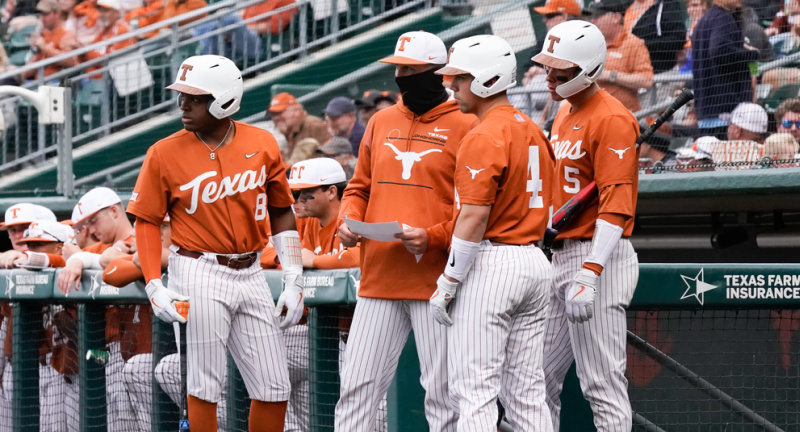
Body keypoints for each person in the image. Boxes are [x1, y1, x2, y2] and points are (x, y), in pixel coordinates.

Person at [127, 54, 304, 432]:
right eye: (181, 95)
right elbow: (146, 221)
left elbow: (282, 211)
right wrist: (154, 284)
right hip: (197, 266)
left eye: (195, 97)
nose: (183, 104)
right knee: (205, 382)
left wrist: (294, 277)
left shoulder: (262, 141)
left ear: (224, 98)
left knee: (274, 385)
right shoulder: (163, 151)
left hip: (252, 269)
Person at [334, 30, 476, 432]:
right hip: (378, 277)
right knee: (356, 390)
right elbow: (359, 187)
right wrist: (347, 218)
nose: (401, 76)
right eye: (397, 69)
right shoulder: (381, 120)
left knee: (444, 396)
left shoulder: (466, 123)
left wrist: (433, 235)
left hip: (436, 279)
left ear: (437, 73)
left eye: (411, 70)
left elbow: (476, 209)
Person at [429, 34, 556, 431]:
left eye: (460, 78)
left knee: (475, 390)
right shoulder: (532, 128)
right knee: (527, 393)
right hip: (534, 260)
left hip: (494, 262)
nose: (451, 86)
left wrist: (450, 279)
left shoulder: (484, 134)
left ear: (485, 78)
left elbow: (473, 217)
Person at [532, 20, 641, 431]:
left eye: (561, 73)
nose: (550, 78)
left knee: (601, 383)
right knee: (533, 378)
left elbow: (617, 206)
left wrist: (591, 271)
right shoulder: (562, 111)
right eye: (547, 69)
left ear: (590, 70)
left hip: (600, 255)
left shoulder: (613, 118)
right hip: (559, 254)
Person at [59, 186, 139, 431]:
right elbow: (73, 255)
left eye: (93, 221)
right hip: (116, 355)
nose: (91, 230)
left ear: (114, 211)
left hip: (147, 354)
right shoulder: (103, 248)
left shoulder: (141, 240)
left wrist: (79, 257)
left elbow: (96, 257)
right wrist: (76, 259)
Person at [12, 220, 79, 432]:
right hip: (59, 369)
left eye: (39, 244)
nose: (31, 249)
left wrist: (21, 258)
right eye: (30, 245)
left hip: (90, 368)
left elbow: (35, 260)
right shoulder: (35, 274)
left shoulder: (67, 264)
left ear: (59, 246)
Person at [692, 0, 759, 140]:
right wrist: (751, 54)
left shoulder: (704, 20)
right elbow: (719, 50)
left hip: (707, 113)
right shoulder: (723, 18)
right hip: (727, 114)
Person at [516, 0, 582, 129]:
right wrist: (528, 77)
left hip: (561, 102)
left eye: (549, 16)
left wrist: (543, 72)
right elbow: (525, 75)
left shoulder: (578, 39)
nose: (544, 20)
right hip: (539, 104)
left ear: (564, 17)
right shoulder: (546, 40)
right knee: (518, 99)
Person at [590, 0, 654, 114]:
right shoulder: (590, 43)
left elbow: (646, 80)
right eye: (592, 16)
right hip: (591, 113)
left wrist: (611, 75)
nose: (593, 20)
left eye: (598, 16)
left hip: (623, 114)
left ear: (616, 17)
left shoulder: (633, 44)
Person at [268, 92, 331, 165]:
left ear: (296, 111)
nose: (276, 118)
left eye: (279, 113)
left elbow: (332, 154)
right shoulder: (289, 131)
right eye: (273, 114)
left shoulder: (313, 125)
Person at [23, 0, 79, 81]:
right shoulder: (44, 34)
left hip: (56, 83)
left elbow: (70, 61)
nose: (42, 18)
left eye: (46, 14)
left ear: (57, 14)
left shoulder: (67, 34)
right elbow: (36, 62)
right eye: (41, 14)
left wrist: (44, 46)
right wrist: (19, 75)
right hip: (39, 81)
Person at [627, 0, 687, 74]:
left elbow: (679, 38)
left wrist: (645, 44)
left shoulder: (667, 5)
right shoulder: (622, 8)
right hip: (626, 74)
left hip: (660, 75)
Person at [83, 0, 135, 78]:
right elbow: (91, 50)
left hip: (114, 80)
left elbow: (110, 60)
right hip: (97, 78)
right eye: (100, 11)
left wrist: (87, 53)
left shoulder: (121, 29)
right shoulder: (105, 31)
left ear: (116, 13)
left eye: (106, 11)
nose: (101, 14)